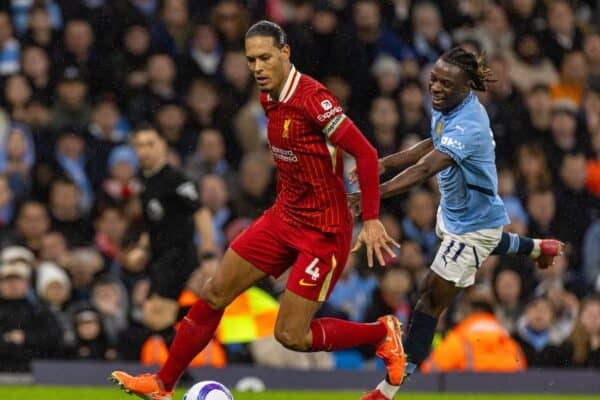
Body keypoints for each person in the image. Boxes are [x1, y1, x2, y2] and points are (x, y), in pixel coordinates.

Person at [111, 20, 403, 400]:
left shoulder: (314, 99)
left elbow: (365, 152)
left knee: (290, 336)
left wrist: (373, 218)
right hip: (283, 217)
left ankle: (382, 333)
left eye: (265, 58)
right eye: (251, 60)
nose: (258, 68)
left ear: (285, 53)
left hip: (324, 230)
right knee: (214, 292)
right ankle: (163, 383)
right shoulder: (268, 97)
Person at [350, 47, 564, 400]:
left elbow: (425, 169)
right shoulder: (449, 107)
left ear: (466, 88)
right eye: (434, 78)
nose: (435, 87)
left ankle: (388, 391)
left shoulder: (468, 125)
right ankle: (540, 246)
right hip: (457, 212)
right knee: (481, 246)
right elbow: (428, 145)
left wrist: (372, 193)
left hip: (471, 224)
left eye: (445, 83)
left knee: (428, 302)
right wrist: (385, 163)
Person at [126, 125, 217, 334]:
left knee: (154, 313)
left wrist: (209, 253)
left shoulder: (175, 180)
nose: (144, 151)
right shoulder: (144, 181)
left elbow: (201, 212)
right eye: (139, 146)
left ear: (163, 146)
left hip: (178, 255)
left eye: (150, 144)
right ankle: (198, 316)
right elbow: (154, 222)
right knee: (156, 317)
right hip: (160, 257)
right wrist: (142, 247)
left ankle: (203, 317)